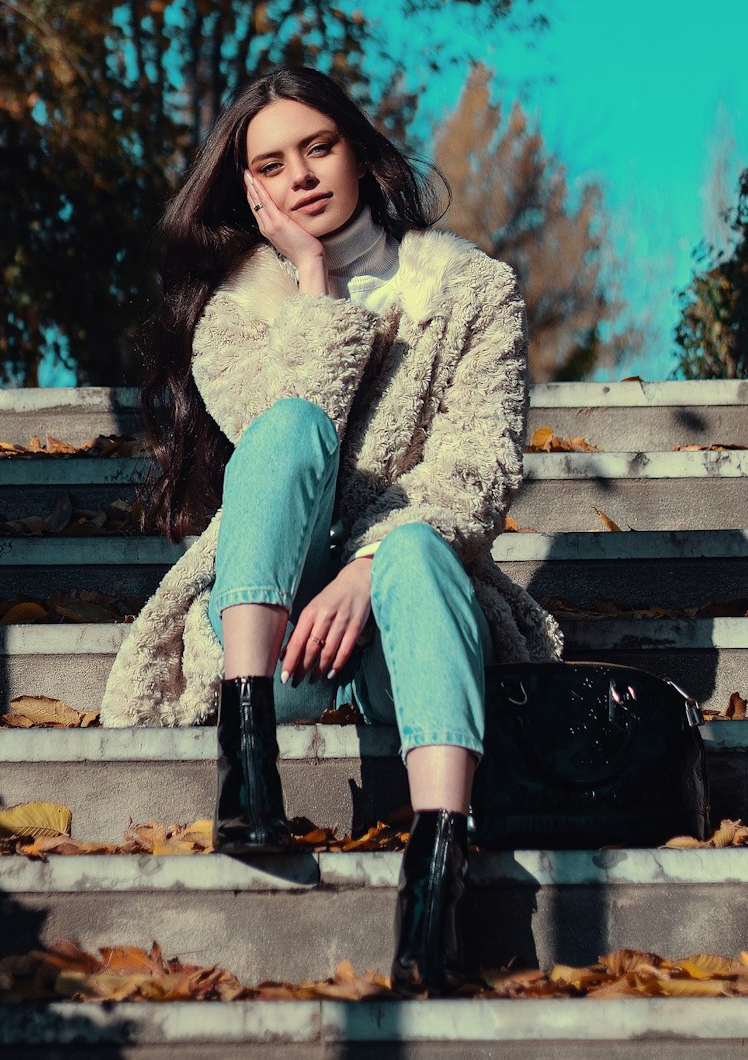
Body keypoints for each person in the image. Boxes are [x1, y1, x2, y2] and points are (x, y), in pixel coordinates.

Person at [102, 66, 562, 992]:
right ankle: (248, 767)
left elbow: (478, 467)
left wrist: (369, 566)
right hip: (270, 656)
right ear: (248, 189)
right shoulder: (233, 314)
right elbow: (285, 446)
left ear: (358, 150)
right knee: (285, 427)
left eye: (319, 147)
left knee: (422, 547)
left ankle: (435, 883)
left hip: (409, 630)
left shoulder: (468, 288)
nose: (301, 176)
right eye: (271, 163)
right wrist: (312, 285)